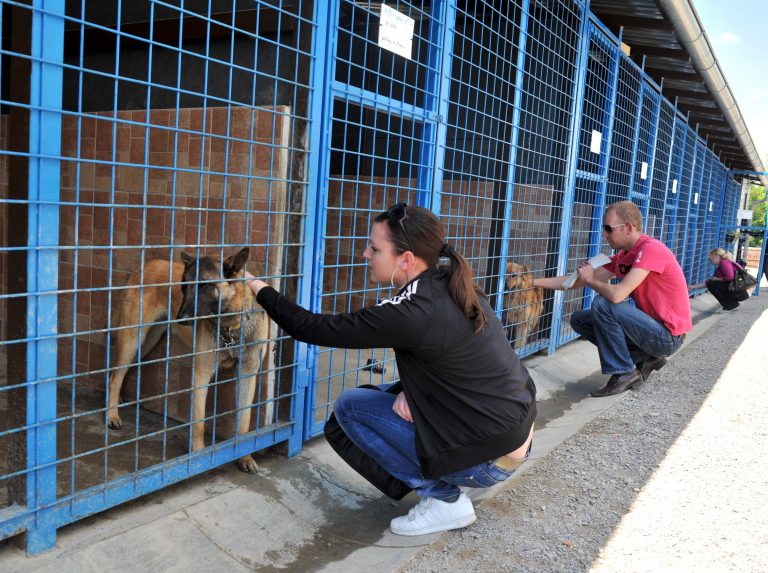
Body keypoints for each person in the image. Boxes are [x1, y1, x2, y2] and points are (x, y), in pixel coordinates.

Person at [245, 203, 536, 536]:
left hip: (489, 459)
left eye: (375, 247)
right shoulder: (449, 282)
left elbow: (313, 328)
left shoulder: (411, 311)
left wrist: (259, 287)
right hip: (514, 437)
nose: (365, 253)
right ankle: (452, 475)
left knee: (351, 408)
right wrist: (410, 392)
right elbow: (456, 364)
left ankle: (444, 500)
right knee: (390, 396)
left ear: (406, 259)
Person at [532, 201, 691, 398]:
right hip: (650, 330)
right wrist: (533, 282)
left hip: (668, 337)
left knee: (603, 304)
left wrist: (590, 279)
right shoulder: (624, 256)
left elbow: (617, 295)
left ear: (628, 228)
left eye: (609, 228)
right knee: (579, 319)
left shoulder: (651, 250)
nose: (604, 234)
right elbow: (575, 282)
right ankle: (648, 357)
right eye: (604, 228)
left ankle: (624, 373)